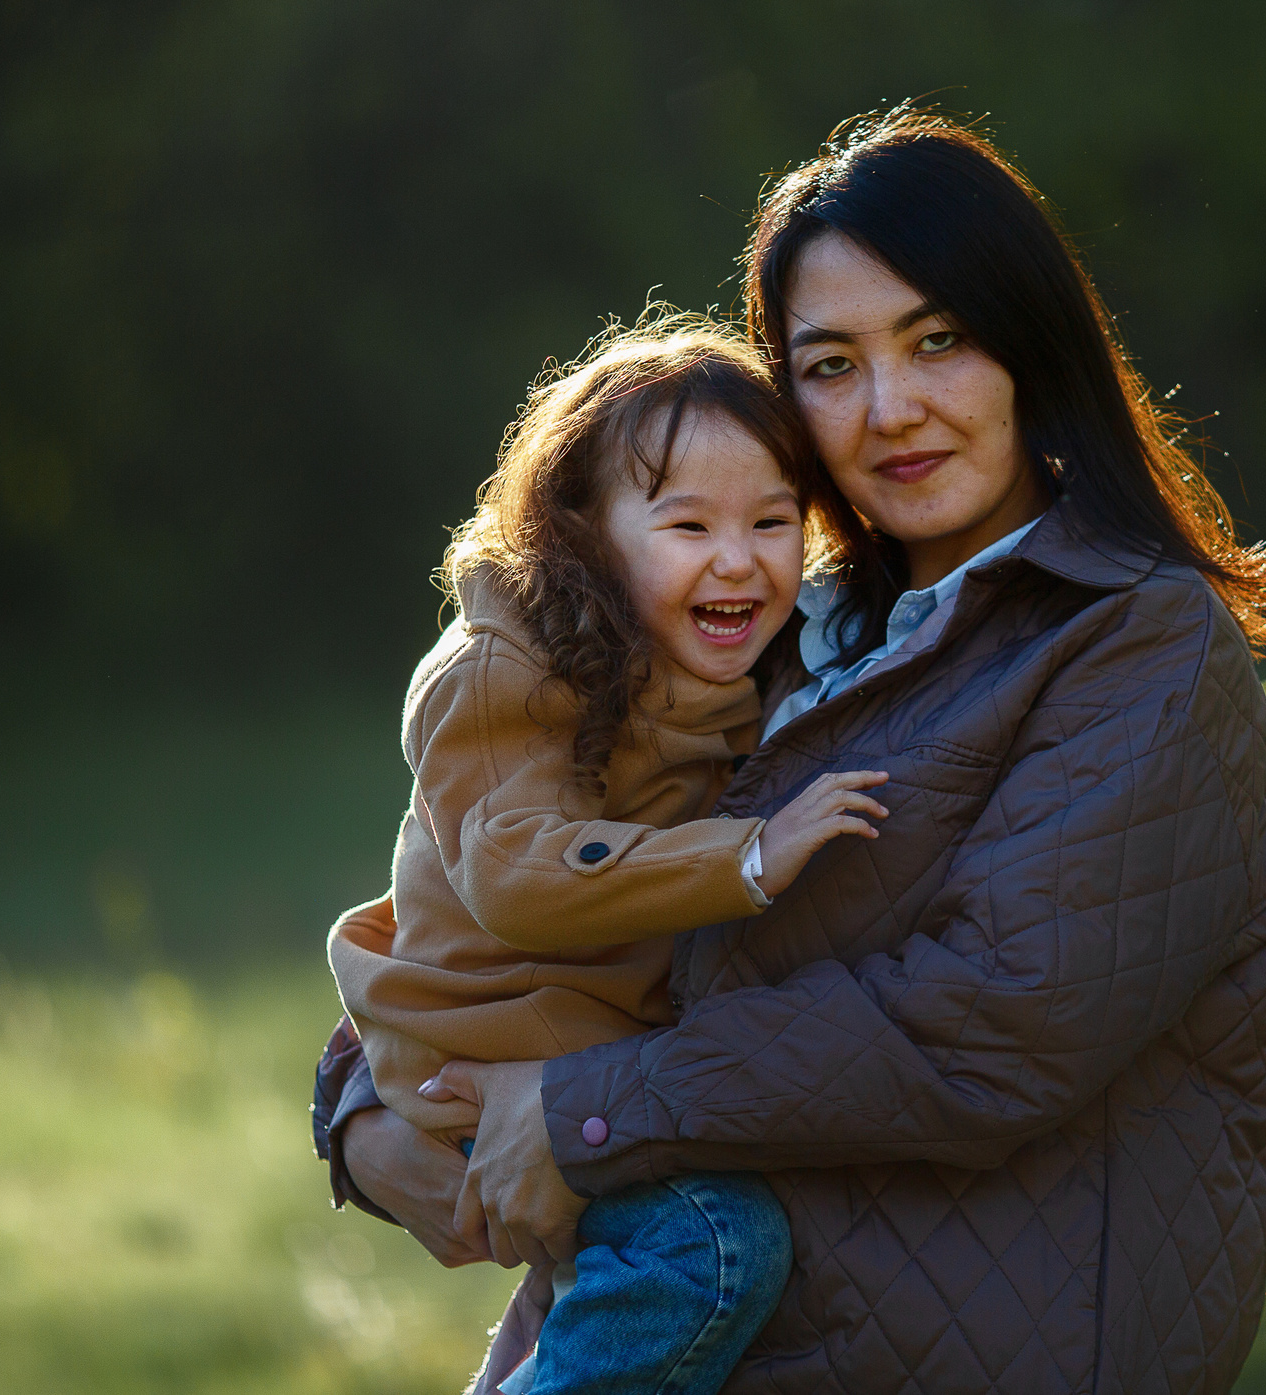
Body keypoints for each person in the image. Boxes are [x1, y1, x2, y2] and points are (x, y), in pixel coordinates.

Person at [318, 108, 1266, 1394]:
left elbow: (989, 1025)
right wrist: (362, 1115)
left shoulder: (1139, 647)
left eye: (937, 341)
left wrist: (584, 1113)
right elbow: (501, 886)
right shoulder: (765, 624)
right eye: (832, 365)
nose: (891, 410)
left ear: (1029, 345)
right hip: (664, 1340)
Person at [324, 318, 898, 1395]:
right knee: (712, 1242)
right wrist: (746, 857)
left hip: (592, 1054)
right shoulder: (501, 671)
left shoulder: (752, 668)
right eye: (688, 524)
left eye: (773, 521)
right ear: (582, 535)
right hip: (480, 1051)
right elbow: (514, 872)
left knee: (623, 1277)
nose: (738, 558)